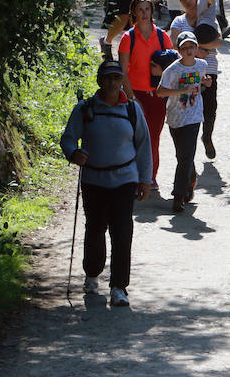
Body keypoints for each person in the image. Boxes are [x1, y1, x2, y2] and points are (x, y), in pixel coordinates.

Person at [60, 60, 153, 307]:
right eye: (107, 78)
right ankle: (92, 274)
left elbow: (144, 146)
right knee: (95, 228)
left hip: (125, 179)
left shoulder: (132, 110)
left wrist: (145, 180)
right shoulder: (85, 109)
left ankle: (119, 287)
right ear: (99, 81)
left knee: (122, 232)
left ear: (122, 81)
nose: (112, 83)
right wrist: (74, 154)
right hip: (94, 179)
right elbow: (68, 138)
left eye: (116, 78)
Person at [118, 0, 173, 190]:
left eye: (147, 9)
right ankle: (135, 176)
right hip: (136, 95)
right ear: (133, 12)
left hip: (158, 95)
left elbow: (172, 66)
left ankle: (150, 176)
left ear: (152, 11)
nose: (144, 13)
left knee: (154, 137)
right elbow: (122, 71)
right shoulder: (128, 38)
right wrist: (132, 98)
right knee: (134, 137)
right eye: (140, 9)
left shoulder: (162, 36)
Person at [156, 31, 211, 213]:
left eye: (191, 47)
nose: (188, 51)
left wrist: (206, 83)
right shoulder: (172, 70)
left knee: (185, 156)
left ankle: (177, 196)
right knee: (183, 156)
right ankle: (190, 178)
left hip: (194, 117)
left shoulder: (202, 65)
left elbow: (201, 83)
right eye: (184, 48)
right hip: (175, 117)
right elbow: (160, 91)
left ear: (196, 48)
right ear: (178, 50)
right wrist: (179, 91)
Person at [169, 0, 222, 159]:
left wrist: (198, 49)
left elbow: (219, 41)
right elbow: (174, 45)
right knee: (189, 108)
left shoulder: (207, 16)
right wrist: (195, 52)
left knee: (210, 107)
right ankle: (187, 151)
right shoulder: (178, 22)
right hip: (187, 70)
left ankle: (207, 136)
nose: (187, 1)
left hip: (209, 67)